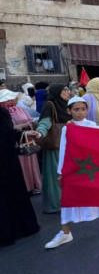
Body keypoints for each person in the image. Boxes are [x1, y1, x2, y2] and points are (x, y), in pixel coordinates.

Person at [44, 97, 99, 249]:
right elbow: (64, 150)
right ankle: (65, 232)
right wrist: (61, 172)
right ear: (69, 111)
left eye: (83, 109)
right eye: (76, 109)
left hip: (94, 168)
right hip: (75, 169)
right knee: (69, 198)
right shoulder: (67, 128)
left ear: (87, 110)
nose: (80, 112)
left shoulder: (93, 126)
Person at [0, 107, 40, 246]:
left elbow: (8, 133)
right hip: (7, 162)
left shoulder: (2, 112)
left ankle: (19, 228)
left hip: (9, 163)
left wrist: (24, 133)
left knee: (14, 193)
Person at [36, 84, 72, 213]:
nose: (68, 92)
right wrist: (40, 132)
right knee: (55, 175)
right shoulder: (50, 105)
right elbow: (44, 123)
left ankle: (68, 200)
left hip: (67, 145)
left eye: (68, 90)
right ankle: (54, 204)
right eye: (64, 90)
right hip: (55, 146)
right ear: (57, 92)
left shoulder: (67, 105)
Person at [0, 89, 42, 194]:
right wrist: (21, 127)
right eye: (7, 100)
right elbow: (8, 129)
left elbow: (29, 119)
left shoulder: (19, 109)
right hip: (15, 142)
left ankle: (34, 185)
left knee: (31, 161)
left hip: (26, 139)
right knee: (21, 164)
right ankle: (26, 187)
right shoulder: (3, 113)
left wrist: (28, 126)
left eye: (11, 99)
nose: (11, 101)